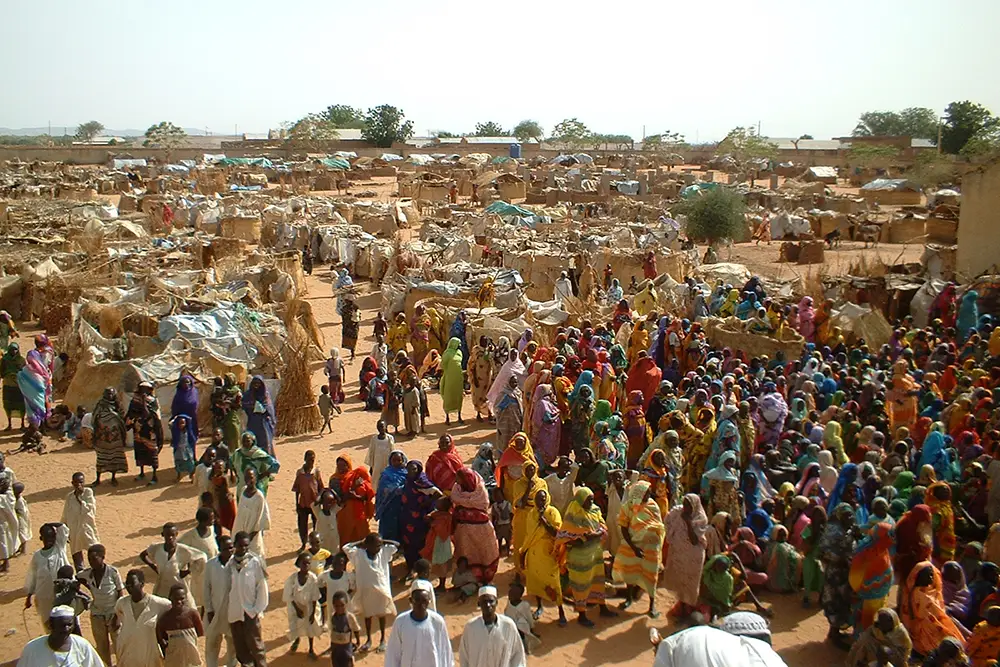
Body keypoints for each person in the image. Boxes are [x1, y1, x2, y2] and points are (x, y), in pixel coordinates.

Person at [557, 487, 613, 627]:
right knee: (581, 586)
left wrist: (593, 535)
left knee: (598, 581)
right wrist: (584, 537)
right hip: (579, 558)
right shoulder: (573, 513)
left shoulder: (595, 510)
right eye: (588, 500)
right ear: (581, 500)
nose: (591, 502)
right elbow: (566, 536)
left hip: (595, 555)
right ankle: (582, 614)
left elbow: (602, 526)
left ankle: (602, 607)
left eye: (592, 499)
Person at [612, 480, 665, 617]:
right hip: (632, 545)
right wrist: (634, 547)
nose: (649, 494)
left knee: (651, 575)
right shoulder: (628, 507)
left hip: (651, 548)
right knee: (630, 572)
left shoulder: (653, 505)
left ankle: (651, 606)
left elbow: (659, 525)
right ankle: (629, 598)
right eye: (646, 492)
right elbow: (624, 528)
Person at [343, 533, 398, 653]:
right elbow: (346, 548)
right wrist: (361, 542)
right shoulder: (359, 554)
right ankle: (368, 639)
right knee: (367, 616)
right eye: (375, 545)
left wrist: (383, 540)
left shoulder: (383, 553)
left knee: (381, 615)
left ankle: (383, 640)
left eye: (379, 545)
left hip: (381, 591)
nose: (378, 548)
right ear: (367, 545)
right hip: (366, 591)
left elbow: (396, 545)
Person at [900, 561, 966, 656]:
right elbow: (930, 614)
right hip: (925, 629)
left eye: (932, 575)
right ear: (917, 577)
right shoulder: (919, 594)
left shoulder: (932, 591)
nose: (931, 578)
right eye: (927, 575)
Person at [384, 581, 453, 667]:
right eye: (417, 600)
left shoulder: (438, 622)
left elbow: (445, 652)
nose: (421, 605)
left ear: (429, 601)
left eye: (424, 601)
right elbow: (393, 654)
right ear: (411, 601)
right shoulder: (400, 622)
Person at [139, 522, 207, 610]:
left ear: (176, 534)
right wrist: (153, 566)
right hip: (162, 588)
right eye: (167, 535)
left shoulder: (183, 550)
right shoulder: (156, 548)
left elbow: (202, 557)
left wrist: (188, 571)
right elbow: (143, 555)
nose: (170, 537)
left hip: (180, 588)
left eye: (172, 535)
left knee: (188, 611)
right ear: (163, 535)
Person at [521, 488, 565, 624]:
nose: (542, 502)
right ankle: (540, 606)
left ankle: (561, 611)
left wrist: (544, 520)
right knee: (536, 581)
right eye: (539, 499)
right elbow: (529, 535)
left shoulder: (552, 512)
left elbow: (557, 533)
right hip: (534, 553)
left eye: (544, 499)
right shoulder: (531, 514)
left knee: (553, 582)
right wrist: (523, 553)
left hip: (548, 554)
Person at [663, 493, 709, 620]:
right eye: (684, 504)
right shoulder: (677, 512)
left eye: (688, 505)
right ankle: (682, 607)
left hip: (693, 556)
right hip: (679, 553)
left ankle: (688, 611)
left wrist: (688, 522)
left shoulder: (700, 518)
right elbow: (667, 521)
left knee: (690, 584)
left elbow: (694, 540)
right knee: (680, 580)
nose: (685, 508)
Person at [75, 544, 123, 667]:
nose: (91, 562)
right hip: (97, 614)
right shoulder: (87, 574)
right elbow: (77, 578)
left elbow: (120, 593)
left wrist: (118, 616)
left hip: (113, 614)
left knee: (119, 645)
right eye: (89, 559)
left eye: (94, 559)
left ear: (103, 557)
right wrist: (87, 588)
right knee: (102, 647)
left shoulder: (112, 572)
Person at [451, 467, 500, 584]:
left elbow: (484, 505)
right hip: (463, 530)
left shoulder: (480, 491)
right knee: (465, 552)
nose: (456, 481)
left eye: (459, 478)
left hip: (481, 529)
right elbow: (455, 500)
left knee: (484, 552)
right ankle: (469, 579)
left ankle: (485, 578)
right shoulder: (457, 489)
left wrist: (464, 505)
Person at [227, 531, 268, 667]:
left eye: (246, 546)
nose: (243, 549)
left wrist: (255, 610)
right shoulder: (229, 564)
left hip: (250, 611)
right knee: (241, 649)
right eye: (240, 545)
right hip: (234, 612)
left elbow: (261, 588)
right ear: (235, 545)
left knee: (257, 647)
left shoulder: (255, 563)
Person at [115, 568, 172, 667]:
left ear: (142, 584)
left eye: (132, 584)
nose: (129, 587)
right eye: (127, 584)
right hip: (127, 655)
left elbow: (173, 610)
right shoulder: (122, 603)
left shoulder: (158, 603)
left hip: (149, 656)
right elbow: (118, 618)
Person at [459, 585, 526, 667]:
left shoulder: (508, 625)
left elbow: (517, 655)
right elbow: (464, 657)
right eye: (484, 602)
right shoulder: (470, 627)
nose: (488, 605)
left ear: (496, 602)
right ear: (479, 604)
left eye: (491, 601)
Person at [16, 605, 104, 667]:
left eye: (69, 625)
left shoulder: (82, 645)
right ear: (50, 625)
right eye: (62, 625)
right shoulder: (32, 649)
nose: (66, 629)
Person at [24, 521, 70, 629]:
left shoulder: (59, 548)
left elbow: (63, 528)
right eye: (47, 537)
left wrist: (48, 524)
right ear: (41, 538)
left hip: (61, 593)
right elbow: (33, 576)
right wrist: (29, 595)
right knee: (49, 623)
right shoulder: (37, 556)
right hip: (44, 595)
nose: (50, 540)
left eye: (52, 536)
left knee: (65, 620)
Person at [203, 535, 236, 667]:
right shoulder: (211, 564)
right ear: (219, 549)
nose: (229, 551)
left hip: (231, 612)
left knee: (233, 644)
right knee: (212, 643)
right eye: (225, 548)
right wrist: (209, 610)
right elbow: (206, 587)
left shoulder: (237, 564)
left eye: (231, 548)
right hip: (215, 611)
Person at [283, 553, 322, 658]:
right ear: (298, 564)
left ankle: (311, 648)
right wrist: (297, 609)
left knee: (310, 627)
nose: (306, 565)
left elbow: (315, 596)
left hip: (309, 606)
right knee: (296, 625)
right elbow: (289, 596)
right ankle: (296, 640)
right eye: (303, 563)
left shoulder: (313, 578)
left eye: (308, 563)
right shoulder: (292, 579)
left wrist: (312, 612)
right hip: (295, 606)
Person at [156, 584, 204, 667]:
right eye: (176, 599)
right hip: (173, 661)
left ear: (186, 598)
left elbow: (200, 633)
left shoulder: (193, 614)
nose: (179, 602)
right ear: (170, 598)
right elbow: (161, 639)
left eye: (181, 599)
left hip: (192, 660)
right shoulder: (165, 619)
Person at [61, 472, 99, 571]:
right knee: (76, 554)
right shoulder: (69, 497)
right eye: (76, 483)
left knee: (94, 551)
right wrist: (64, 529)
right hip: (73, 529)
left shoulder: (88, 492)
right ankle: (81, 575)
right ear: (72, 483)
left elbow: (89, 508)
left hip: (86, 528)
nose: (79, 485)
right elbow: (65, 514)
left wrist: (79, 498)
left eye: (81, 482)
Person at [233, 468, 272, 565]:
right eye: (246, 478)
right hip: (239, 532)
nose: (249, 480)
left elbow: (260, 521)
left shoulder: (259, 497)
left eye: (251, 477)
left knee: (255, 562)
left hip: (252, 538)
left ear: (256, 478)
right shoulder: (242, 491)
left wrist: (247, 539)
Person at [17, 334, 54, 429]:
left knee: (35, 401)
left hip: (34, 381)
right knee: (46, 400)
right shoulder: (49, 352)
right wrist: (48, 378)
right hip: (45, 379)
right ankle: (44, 423)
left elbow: (30, 367)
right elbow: (51, 367)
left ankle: (36, 424)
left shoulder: (32, 354)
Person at [291, 450, 323, 550]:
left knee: (316, 525)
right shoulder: (300, 473)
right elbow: (297, 489)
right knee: (302, 526)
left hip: (314, 503)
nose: (311, 462)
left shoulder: (316, 472)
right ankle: (303, 544)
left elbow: (321, 488)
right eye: (309, 460)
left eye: (313, 460)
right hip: (303, 503)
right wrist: (297, 504)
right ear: (305, 459)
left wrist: (319, 499)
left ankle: (315, 545)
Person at [230, 431, 279, 496]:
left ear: (253, 441)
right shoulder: (237, 453)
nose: (245, 443)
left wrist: (263, 474)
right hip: (241, 486)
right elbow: (230, 463)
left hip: (256, 486)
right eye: (243, 441)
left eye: (248, 441)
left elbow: (276, 465)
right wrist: (235, 474)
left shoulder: (259, 454)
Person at [241, 377, 275, 456]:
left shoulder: (265, 395)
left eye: (258, 383)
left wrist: (261, 408)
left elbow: (269, 408)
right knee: (251, 442)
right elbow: (243, 405)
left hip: (263, 424)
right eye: (254, 383)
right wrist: (252, 407)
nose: (256, 385)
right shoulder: (247, 395)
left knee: (265, 443)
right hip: (252, 422)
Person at [329, 590, 362, 667]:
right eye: (337, 606)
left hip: (346, 647)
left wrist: (358, 642)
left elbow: (356, 629)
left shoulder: (350, 617)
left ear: (346, 604)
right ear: (333, 605)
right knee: (336, 663)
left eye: (342, 605)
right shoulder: (332, 617)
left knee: (347, 663)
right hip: (335, 648)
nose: (339, 608)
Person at [440, 337, 465, 424]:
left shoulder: (459, 353)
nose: (459, 346)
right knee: (449, 396)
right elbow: (443, 365)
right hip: (449, 378)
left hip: (458, 379)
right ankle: (447, 417)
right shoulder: (447, 354)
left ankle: (459, 416)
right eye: (458, 344)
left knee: (458, 396)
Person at [1, 343, 26, 430]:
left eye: (15, 349)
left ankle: (22, 424)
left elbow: (25, 372)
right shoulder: (4, 360)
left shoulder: (22, 360)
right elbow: (1, 372)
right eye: (12, 349)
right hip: (8, 385)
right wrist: (9, 374)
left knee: (21, 405)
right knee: (8, 404)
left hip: (19, 386)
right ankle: (9, 424)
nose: (14, 351)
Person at [169, 414, 198, 482]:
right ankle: (178, 476)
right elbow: (170, 424)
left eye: (183, 423)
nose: (181, 425)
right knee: (178, 463)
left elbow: (192, 440)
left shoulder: (188, 431)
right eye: (179, 423)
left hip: (187, 450)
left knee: (190, 463)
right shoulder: (175, 431)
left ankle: (191, 475)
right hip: (178, 450)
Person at [366, 420, 394, 486]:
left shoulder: (390, 438)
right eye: (379, 427)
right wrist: (371, 466)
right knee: (376, 481)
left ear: (385, 427)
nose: (380, 428)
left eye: (382, 426)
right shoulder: (374, 439)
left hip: (387, 463)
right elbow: (371, 453)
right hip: (377, 464)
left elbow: (392, 451)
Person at [341, 296, 362, 361]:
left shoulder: (354, 308)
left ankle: (353, 353)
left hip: (352, 327)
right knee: (350, 339)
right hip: (349, 327)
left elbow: (358, 317)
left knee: (352, 340)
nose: (345, 302)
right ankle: (352, 353)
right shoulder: (346, 308)